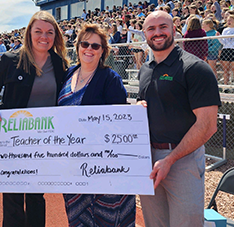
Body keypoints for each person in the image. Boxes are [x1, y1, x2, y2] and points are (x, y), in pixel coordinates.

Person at [0, 11, 68, 227]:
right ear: (29, 33)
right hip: (13, 143)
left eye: (49, 32)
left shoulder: (60, 64)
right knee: (12, 197)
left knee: (36, 196)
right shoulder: (11, 61)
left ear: (55, 36)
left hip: (43, 143)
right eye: (38, 31)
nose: (44, 37)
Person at [138, 11, 221, 227]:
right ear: (144, 34)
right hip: (148, 159)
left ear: (174, 30)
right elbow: (144, 106)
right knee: (154, 224)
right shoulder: (145, 69)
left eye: (163, 27)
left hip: (183, 159)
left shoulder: (195, 68)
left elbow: (208, 125)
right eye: (151, 29)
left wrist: (170, 159)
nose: (157, 33)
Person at [58, 23, 136, 227]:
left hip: (104, 165)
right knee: (78, 218)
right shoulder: (68, 74)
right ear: (78, 46)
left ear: (103, 51)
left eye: (96, 46)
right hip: (73, 165)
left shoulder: (111, 78)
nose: (89, 49)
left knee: (108, 219)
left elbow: (120, 123)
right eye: (85, 44)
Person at [219, 14, 234, 84]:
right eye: (228, 20)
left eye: (230, 20)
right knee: (226, 69)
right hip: (226, 49)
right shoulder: (225, 30)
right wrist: (219, 37)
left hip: (233, 49)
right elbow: (223, 42)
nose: (229, 22)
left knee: (233, 69)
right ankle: (225, 85)